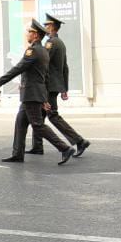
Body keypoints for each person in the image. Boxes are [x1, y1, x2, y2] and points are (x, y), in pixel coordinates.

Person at [0, 19, 74, 165]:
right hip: (34, 93)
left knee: (37, 125)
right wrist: (45, 98)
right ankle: (17, 154)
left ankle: (64, 148)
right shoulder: (43, 51)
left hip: (31, 94)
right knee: (20, 123)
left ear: (36, 35)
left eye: (30, 32)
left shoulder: (33, 51)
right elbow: (45, 76)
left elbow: (18, 68)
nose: (27, 34)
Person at [31, 15, 89, 157]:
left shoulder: (51, 43)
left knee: (53, 116)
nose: (45, 26)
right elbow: (65, 67)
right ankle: (37, 146)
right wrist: (64, 88)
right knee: (39, 117)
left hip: (48, 85)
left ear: (51, 27)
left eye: (47, 24)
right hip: (54, 85)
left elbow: (42, 63)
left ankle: (79, 141)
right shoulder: (60, 42)